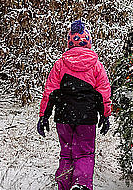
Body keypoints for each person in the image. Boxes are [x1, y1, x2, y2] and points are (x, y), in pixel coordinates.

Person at [37, 19, 112, 190]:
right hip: (87, 116)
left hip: (63, 115)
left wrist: (44, 116)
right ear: (88, 42)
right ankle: (81, 184)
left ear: (69, 43)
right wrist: (105, 115)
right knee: (85, 152)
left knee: (66, 153)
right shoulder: (96, 66)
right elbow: (104, 93)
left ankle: (64, 185)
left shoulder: (60, 64)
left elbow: (50, 92)